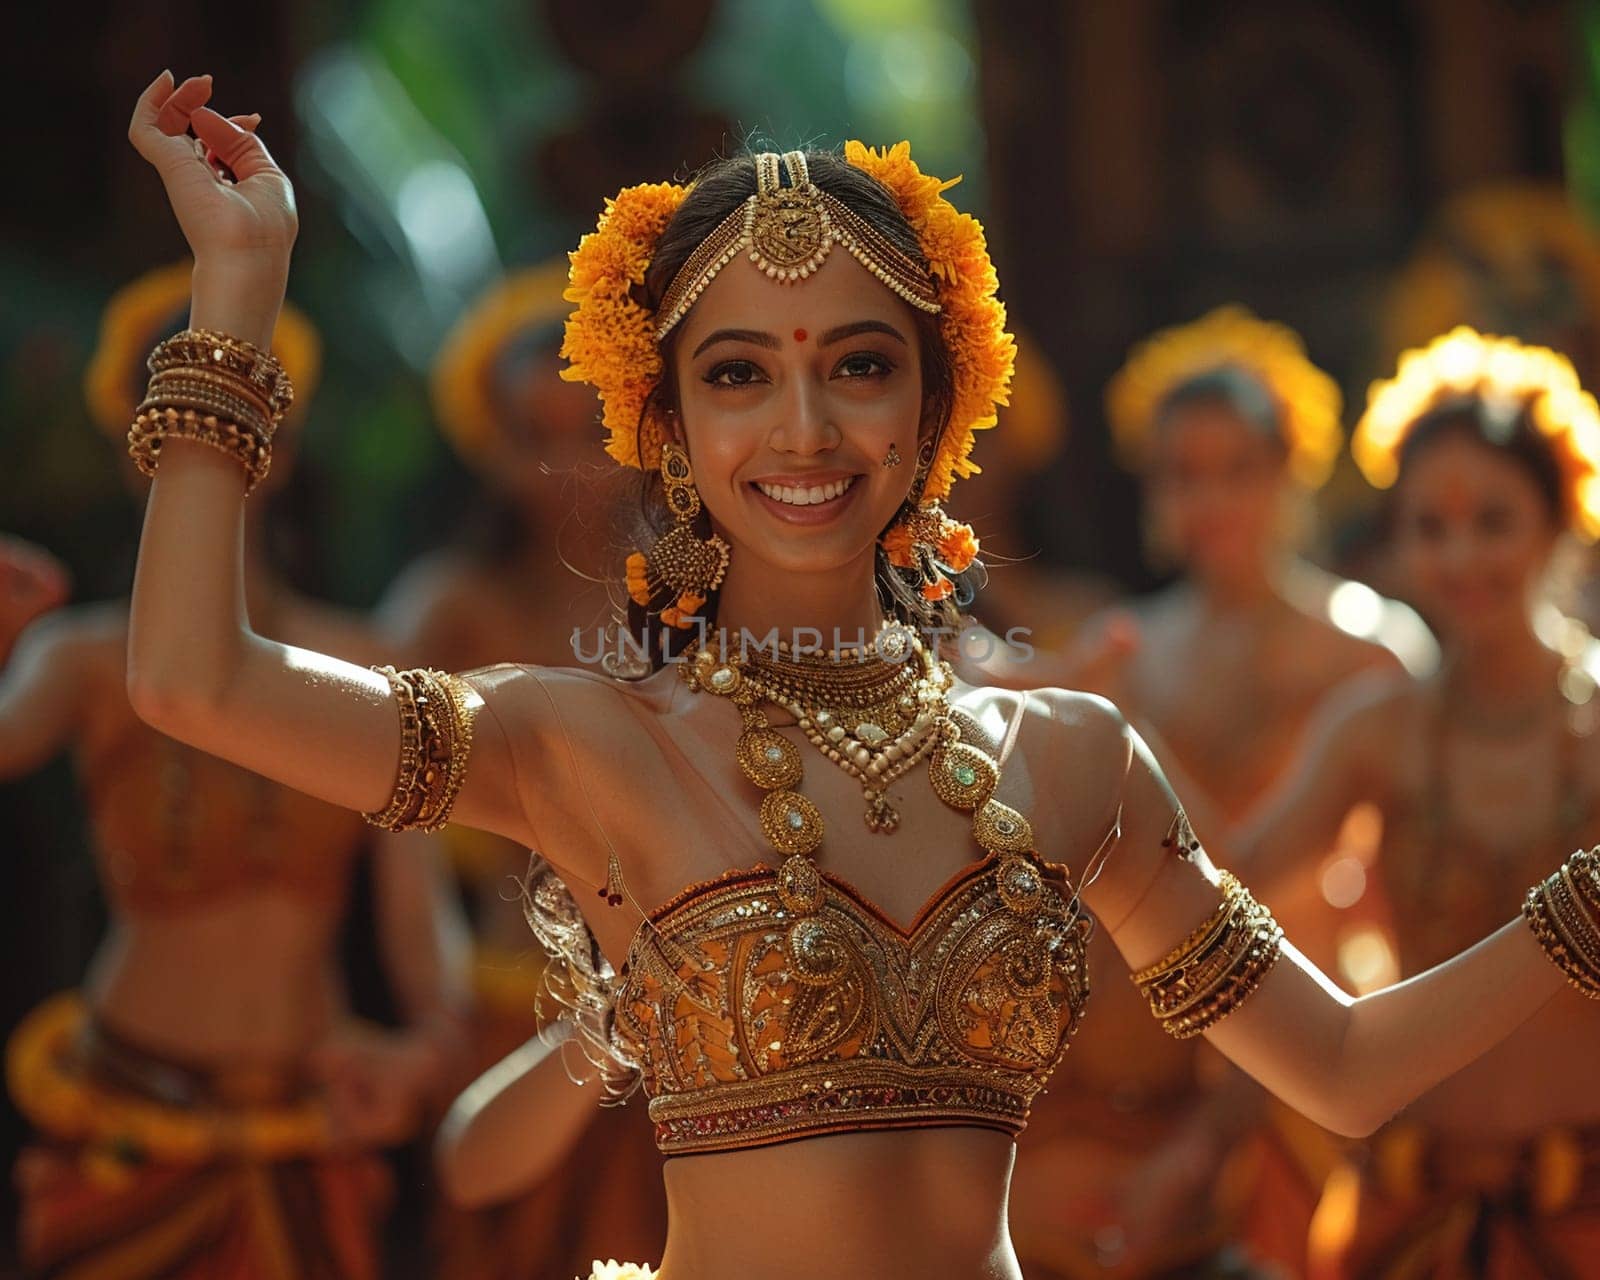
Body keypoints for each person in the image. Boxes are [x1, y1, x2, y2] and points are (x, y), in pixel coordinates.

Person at [122, 70, 1600, 1280]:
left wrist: (1576, 914)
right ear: (670, 422)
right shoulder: (575, 743)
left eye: (862, 363)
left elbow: (1338, 1065)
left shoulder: (1073, 759)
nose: (806, 427)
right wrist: (236, 289)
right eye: (741, 373)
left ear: (938, 399)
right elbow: (195, 684)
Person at [0, 257, 468, 1279]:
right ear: (132, 443)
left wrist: (431, 1042)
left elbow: (413, 901)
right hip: (124, 1104)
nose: (210, 432)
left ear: (284, 442)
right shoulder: (79, 656)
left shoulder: (373, 662)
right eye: (174, 404)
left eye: (241, 401)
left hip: (307, 1120)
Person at [1007, 308, 1433, 1279]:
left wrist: (1125, 726)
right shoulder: (1131, 640)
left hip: (1327, 1013)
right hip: (1157, 1043)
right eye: (1179, 472)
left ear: (1291, 471)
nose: (1208, 498)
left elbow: (1277, 866)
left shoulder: (1374, 649)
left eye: (1235, 467)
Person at [1233, 327, 1600, 1278]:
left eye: (1493, 519)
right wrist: (1114, 737)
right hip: (1404, 1212)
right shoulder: (1375, 730)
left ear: (1559, 521)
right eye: (1428, 527)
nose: (1460, 555)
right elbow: (1223, 882)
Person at [380, 260, 668, 1276]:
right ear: (489, 445)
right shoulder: (456, 603)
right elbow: (381, 808)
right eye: (528, 436)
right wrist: (435, 987)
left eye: (582, 429)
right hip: (508, 1006)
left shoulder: (704, 601)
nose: (559, 466)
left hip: (689, 1017)